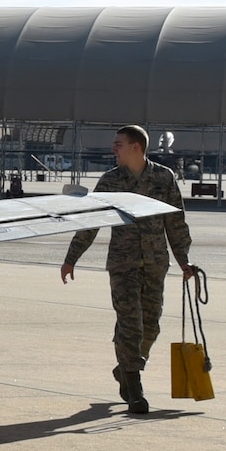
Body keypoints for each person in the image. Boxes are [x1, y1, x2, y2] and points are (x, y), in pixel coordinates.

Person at [61, 125, 196, 416]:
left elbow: (175, 221)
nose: (114, 149)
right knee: (130, 325)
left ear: (136, 147)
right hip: (123, 265)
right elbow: (91, 220)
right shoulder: (110, 181)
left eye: (118, 144)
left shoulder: (163, 177)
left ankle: (126, 368)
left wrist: (184, 260)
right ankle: (134, 389)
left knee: (151, 325)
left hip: (155, 263)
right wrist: (72, 257)